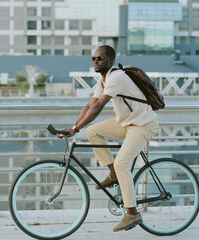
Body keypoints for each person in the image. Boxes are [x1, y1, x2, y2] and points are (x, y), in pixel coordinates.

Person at [58, 45, 159, 232]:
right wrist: (74, 127)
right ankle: (113, 174)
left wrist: (76, 129)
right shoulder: (103, 80)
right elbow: (90, 104)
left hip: (143, 124)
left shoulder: (117, 77)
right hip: (127, 122)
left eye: (99, 59)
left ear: (110, 60)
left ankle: (132, 213)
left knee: (123, 163)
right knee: (93, 132)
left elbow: (98, 108)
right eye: (93, 59)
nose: (95, 62)